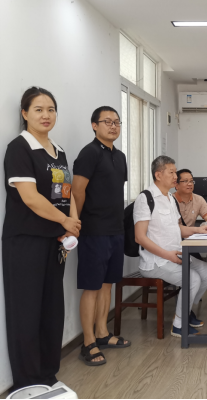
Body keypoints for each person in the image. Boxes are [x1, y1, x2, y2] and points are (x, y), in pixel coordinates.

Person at [3, 87, 81, 392]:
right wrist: (64, 220)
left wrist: (72, 223)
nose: (46, 115)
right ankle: (27, 382)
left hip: (55, 240)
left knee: (51, 309)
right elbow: (31, 198)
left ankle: (48, 375)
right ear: (25, 114)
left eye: (51, 109)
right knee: (26, 310)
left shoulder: (58, 151)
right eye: (38, 109)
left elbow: (66, 192)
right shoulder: (19, 148)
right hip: (26, 241)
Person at [72, 106, 131, 367]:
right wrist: (77, 222)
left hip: (115, 229)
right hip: (93, 230)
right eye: (107, 121)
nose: (113, 126)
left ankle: (103, 333)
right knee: (92, 286)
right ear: (94, 125)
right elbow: (77, 191)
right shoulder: (89, 153)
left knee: (108, 284)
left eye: (117, 122)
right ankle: (88, 342)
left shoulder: (120, 156)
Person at [134, 156, 207, 337]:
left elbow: (178, 228)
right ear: (158, 175)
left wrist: (199, 230)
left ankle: (185, 310)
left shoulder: (170, 199)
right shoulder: (146, 198)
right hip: (156, 262)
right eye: (171, 172)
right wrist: (167, 255)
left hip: (175, 255)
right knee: (193, 279)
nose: (175, 176)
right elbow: (139, 237)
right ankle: (179, 325)